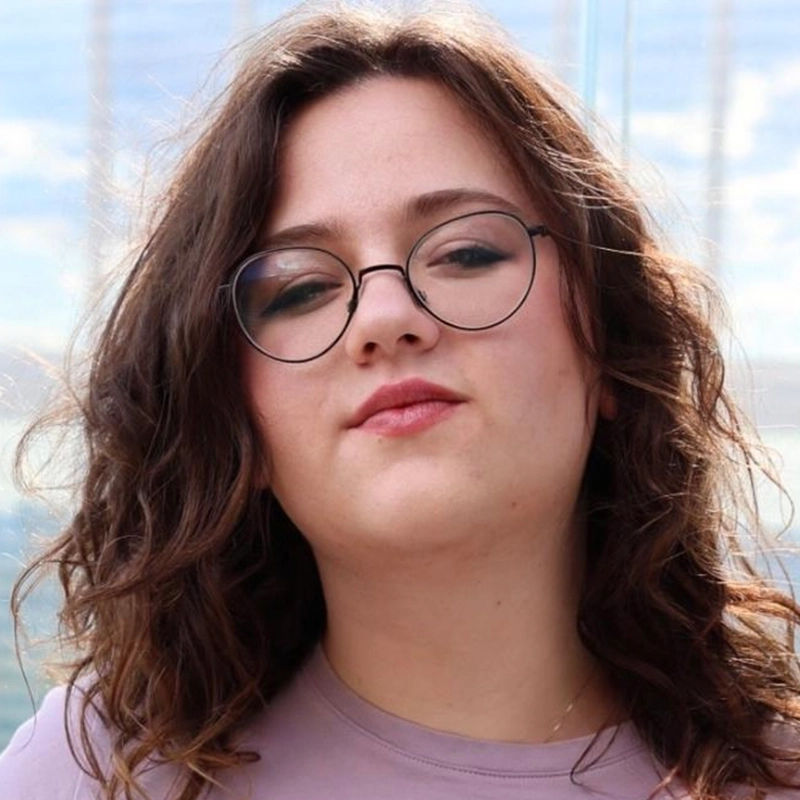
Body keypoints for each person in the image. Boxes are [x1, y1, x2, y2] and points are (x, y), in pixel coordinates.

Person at [1, 3, 799, 799]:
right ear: (231, 417)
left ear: (611, 346)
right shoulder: (97, 775)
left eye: (466, 252)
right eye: (300, 289)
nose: (384, 318)